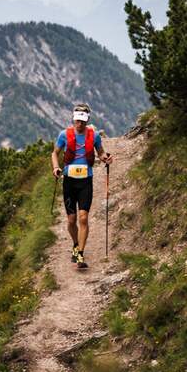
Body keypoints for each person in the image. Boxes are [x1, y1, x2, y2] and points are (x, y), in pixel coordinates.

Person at [51, 103, 112, 269]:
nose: (80, 124)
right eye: (77, 120)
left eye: (83, 121)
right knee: (71, 220)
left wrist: (105, 158)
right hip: (69, 181)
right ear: (73, 119)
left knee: (83, 217)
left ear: (87, 120)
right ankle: (75, 244)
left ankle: (80, 254)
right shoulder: (64, 135)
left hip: (86, 181)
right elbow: (55, 153)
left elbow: (100, 153)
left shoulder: (95, 136)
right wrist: (56, 167)